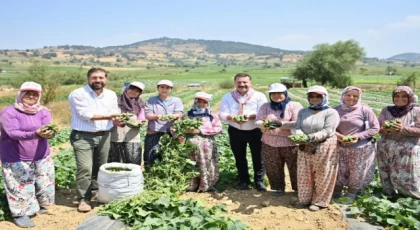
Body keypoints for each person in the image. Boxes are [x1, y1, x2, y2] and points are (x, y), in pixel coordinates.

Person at [0, 82, 55, 228]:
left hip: (41, 154)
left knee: (43, 181)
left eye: (35, 94)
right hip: (16, 156)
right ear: (21, 94)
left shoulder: (43, 111)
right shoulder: (9, 112)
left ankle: (40, 206)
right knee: (19, 185)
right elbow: (12, 133)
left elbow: (48, 128)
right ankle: (20, 214)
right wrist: (35, 134)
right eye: (27, 93)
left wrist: (50, 133)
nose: (31, 96)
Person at [68, 67, 120, 212]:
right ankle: (83, 199)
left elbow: (114, 111)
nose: (98, 80)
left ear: (106, 79)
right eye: (94, 78)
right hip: (83, 136)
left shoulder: (111, 94)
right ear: (88, 79)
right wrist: (110, 117)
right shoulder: (78, 94)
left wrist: (119, 119)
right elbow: (86, 114)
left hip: (104, 134)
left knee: (101, 166)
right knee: (85, 168)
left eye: (101, 77)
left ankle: (98, 192)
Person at [282, 85, 339, 211]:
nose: (314, 98)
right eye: (311, 96)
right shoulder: (303, 111)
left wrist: (310, 137)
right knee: (304, 173)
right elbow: (297, 124)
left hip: (324, 146)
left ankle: (319, 201)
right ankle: (304, 199)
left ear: (324, 97)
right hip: (305, 145)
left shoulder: (331, 112)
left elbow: (328, 131)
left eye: (318, 96)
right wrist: (280, 124)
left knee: (323, 174)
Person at [219, 73, 268, 191]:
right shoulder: (227, 97)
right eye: (239, 82)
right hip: (235, 131)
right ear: (235, 83)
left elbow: (263, 113)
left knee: (259, 157)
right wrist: (232, 117)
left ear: (250, 83)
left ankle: (259, 181)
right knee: (239, 157)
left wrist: (250, 117)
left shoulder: (259, 96)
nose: (242, 84)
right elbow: (222, 113)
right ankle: (243, 180)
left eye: (245, 82)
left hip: (256, 131)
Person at [255, 83, 303, 196]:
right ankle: (278, 188)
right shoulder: (265, 106)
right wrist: (264, 125)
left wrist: (280, 124)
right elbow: (258, 121)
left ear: (285, 93)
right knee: (273, 166)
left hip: (290, 143)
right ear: (270, 95)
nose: (276, 95)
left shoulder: (294, 105)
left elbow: (298, 123)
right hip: (269, 142)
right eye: (273, 93)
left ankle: (297, 188)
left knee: (295, 167)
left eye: (279, 93)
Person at [333, 86, 379, 201]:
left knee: (357, 171)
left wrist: (357, 136)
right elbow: (328, 127)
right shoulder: (335, 110)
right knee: (338, 170)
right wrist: (338, 135)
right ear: (343, 95)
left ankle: (351, 193)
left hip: (360, 148)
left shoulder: (365, 110)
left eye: (355, 96)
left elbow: (375, 128)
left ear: (359, 98)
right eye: (348, 95)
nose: (351, 98)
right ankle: (336, 191)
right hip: (339, 146)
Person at [377, 86, 420, 199]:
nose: (400, 99)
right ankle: (389, 196)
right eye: (397, 96)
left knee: (406, 176)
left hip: (407, 150)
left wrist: (402, 128)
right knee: (386, 173)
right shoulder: (386, 110)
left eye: (404, 96)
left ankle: (409, 199)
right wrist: (385, 129)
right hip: (385, 149)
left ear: (410, 97)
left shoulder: (417, 110)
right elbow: (378, 128)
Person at [181, 92, 222, 192]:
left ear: (208, 104)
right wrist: (183, 132)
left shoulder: (211, 116)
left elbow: (218, 128)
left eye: (204, 102)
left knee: (206, 163)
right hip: (190, 145)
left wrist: (200, 131)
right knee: (192, 164)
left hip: (207, 144)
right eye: (199, 102)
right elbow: (176, 128)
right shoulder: (187, 115)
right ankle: (192, 184)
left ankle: (206, 184)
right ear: (195, 102)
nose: (201, 104)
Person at [144, 80, 183, 167]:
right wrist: (159, 116)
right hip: (154, 132)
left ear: (171, 89)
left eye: (167, 88)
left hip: (171, 133)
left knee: (169, 157)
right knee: (151, 156)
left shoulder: (176, 100)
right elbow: (148, 115)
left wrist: (171, 116)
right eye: (162, 87)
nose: (164, 89)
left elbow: (179, 113)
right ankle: (150, 175)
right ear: (158, 88)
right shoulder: (151, 100)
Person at [109, 82, 146, 165]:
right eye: (132, 89)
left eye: (137, 91)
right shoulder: (115, 102)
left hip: (132, 138)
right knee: (116, 164)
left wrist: (140, 123)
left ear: (140, 93)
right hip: (115, 137)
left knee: (133, 164)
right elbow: (109, 117)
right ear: (126, 89)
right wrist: (117, 122)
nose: (134, 92)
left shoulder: (140, 104)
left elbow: (142, 119)